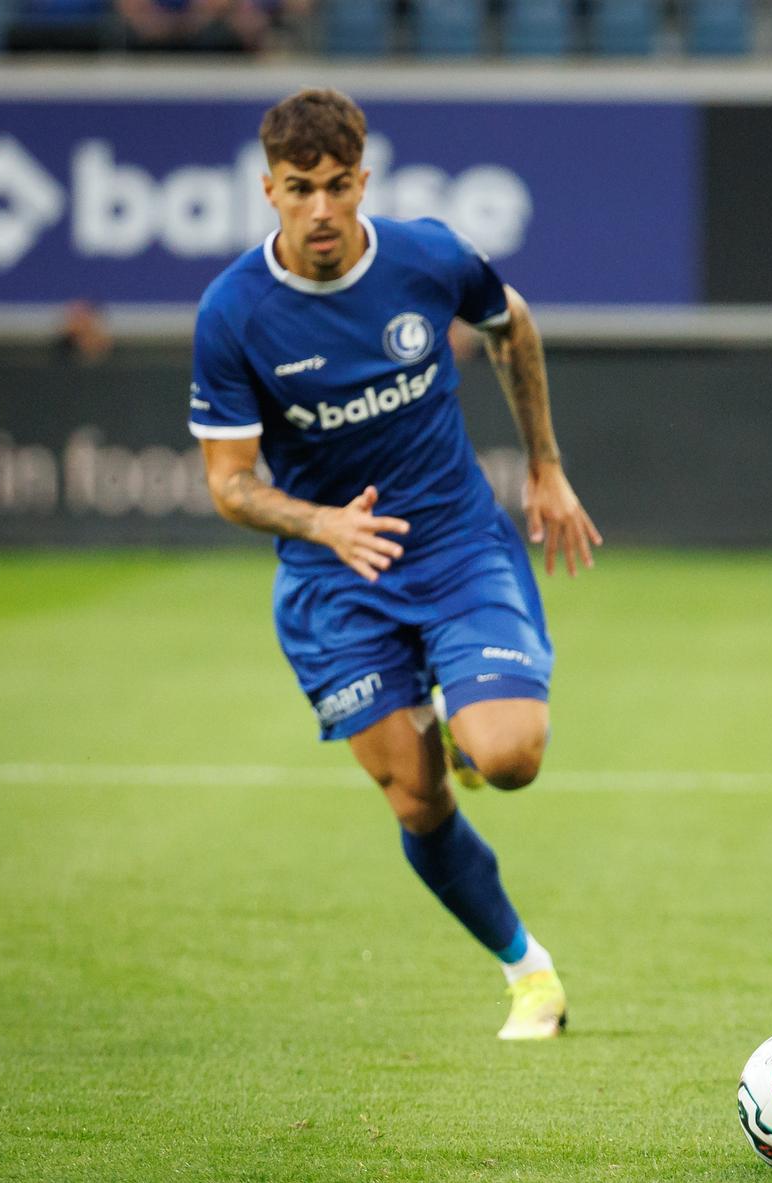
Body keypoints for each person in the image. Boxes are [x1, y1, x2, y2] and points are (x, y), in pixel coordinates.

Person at [191, 89, 601, 1040]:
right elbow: (230, 484)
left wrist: (544, 465)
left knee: (509, 758)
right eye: (301, 189)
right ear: (269, 190)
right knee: (417, 799)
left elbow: (513, 323)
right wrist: (323, 525)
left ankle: (466, 716)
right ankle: (527, 971)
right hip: (334, 579)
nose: (323, 209)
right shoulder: (235, 314)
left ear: (363, 181)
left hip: (455, 543)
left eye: (339, 186)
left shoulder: (425, 258)